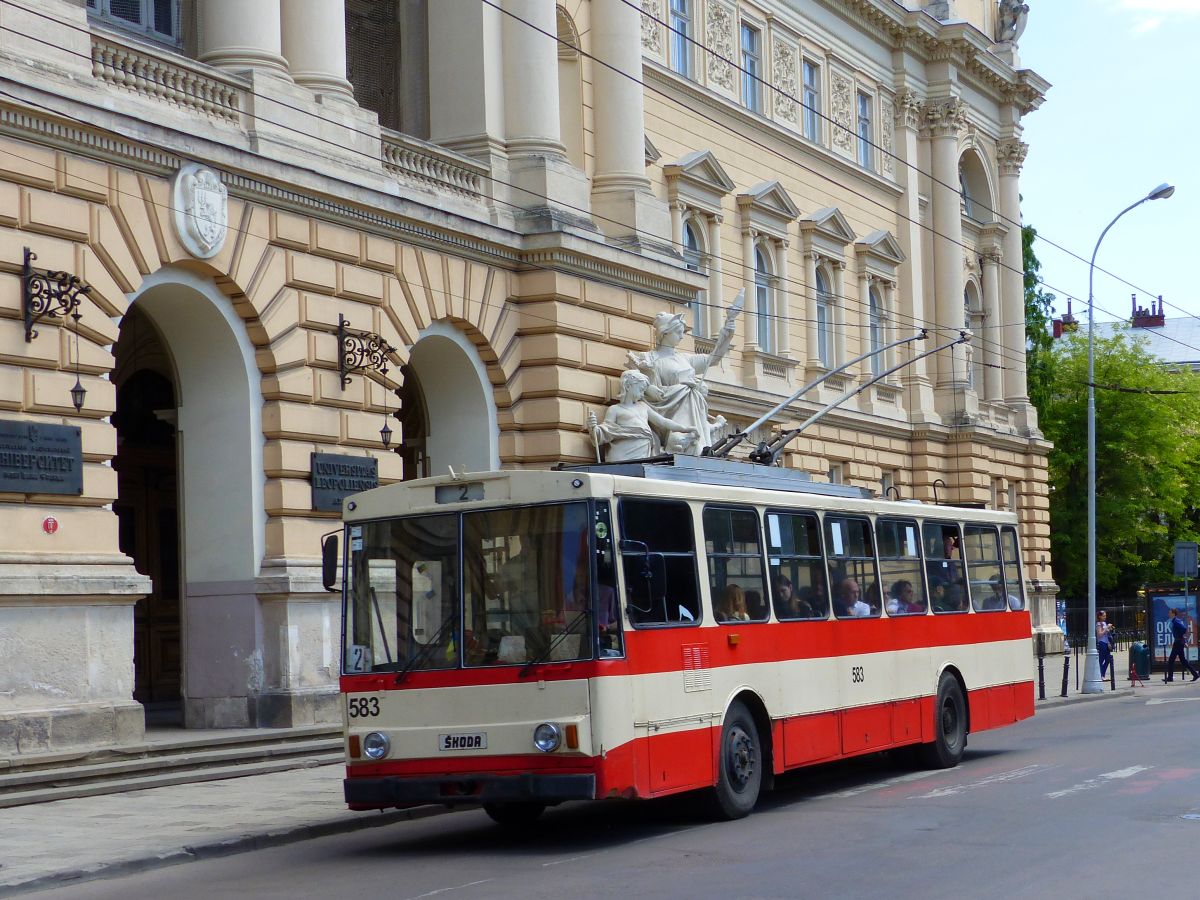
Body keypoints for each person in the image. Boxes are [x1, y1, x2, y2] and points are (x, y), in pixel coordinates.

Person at [626, 291, 743, 455]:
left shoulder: (685, 359)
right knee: (686, 392)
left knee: (689, 393)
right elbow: (635, 385)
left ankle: (695, 444)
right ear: (665, 333)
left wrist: (728, 328)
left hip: (690, 408)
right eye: (679, 332)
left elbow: (714, 358)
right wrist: (649, 388)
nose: (682, 336)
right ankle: (685, 440)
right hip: (666, 409)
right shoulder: (648, 358)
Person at [587, 370, 699, 462]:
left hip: (641, 452)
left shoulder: (643, 406)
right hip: (621, 453)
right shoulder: (615, 409)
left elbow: (663, 421)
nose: (642, 394)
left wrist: (685, 429)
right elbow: (605, 431)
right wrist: (593, 428)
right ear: (628, 386)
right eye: (640, 390)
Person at [1164, 607, 1199, 683]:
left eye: (1170, 613)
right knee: (1183, 660)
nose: (1168, 614)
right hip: (1179, 642)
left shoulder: (1176, 621)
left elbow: (1184, 628)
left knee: (1171, 660)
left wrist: (1180, 638)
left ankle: (1170, 677)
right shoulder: (1174, 621)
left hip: (1178, 643)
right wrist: (1183, 640)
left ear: (1173, 614)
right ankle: (1195, 674)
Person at [1096, 610, 1115, 679]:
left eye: (1105, 616)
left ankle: (1102, 674)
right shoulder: (1098, 624)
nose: (1105, 617)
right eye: (1103, 616)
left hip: (1107, 643)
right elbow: (1100, 634)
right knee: (1101, 659)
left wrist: (1109, 629)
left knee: (1108, 659)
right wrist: (1107, 627)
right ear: (1099, 616)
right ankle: (1100, 675)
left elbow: (1106, 633)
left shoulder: (1104, 623)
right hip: (1102, 643)